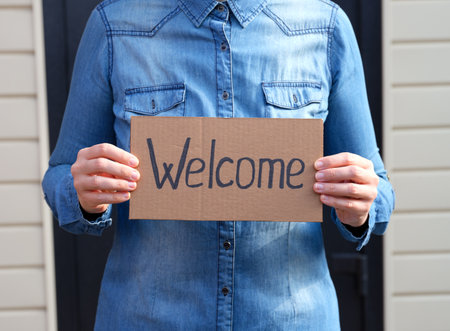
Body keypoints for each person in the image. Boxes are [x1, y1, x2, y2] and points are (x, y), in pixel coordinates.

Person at [42, 0, 395, 329]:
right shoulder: (115, 25)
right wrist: (84, 195)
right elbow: (60, 177)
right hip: (148, 319)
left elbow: (378, 191)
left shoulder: (324, 26)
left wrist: (361, 205)